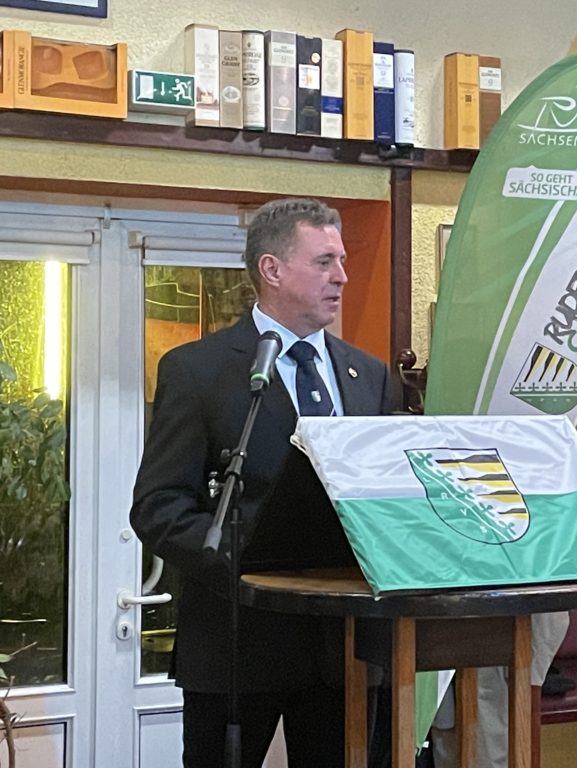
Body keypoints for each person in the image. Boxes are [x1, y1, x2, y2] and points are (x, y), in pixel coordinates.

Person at [130, 197, 392, 767]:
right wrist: (246, 562)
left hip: (348, 649)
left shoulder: (369, 376)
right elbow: (158, 506)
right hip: (238, 641)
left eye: (342, 261)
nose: (342, 277)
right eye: (323, 261)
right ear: (272, 269)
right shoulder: (199, 370)